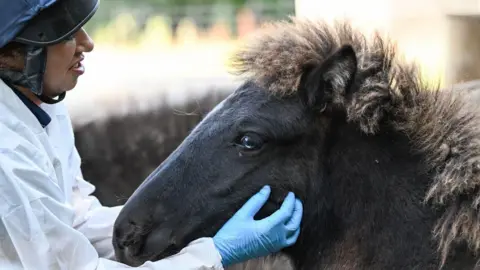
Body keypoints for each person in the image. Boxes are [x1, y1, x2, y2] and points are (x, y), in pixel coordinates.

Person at [0, 0, 304, 269]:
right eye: (66, 35)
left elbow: (75, 221)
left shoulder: (40, 102)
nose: (87, 43)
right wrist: (217, 253)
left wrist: (180, 223)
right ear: (15, 56)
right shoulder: (8, 154)